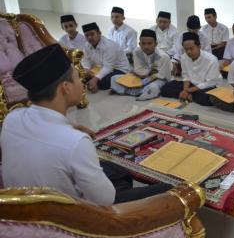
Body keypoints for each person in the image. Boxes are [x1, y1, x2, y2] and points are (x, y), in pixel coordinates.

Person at [1, 44, 171, 205]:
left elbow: (45, 130)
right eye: (77, 77)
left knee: (117, 171)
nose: (82, 83)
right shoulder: (76, 143)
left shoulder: (12, 118)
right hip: (74, 219)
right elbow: (106, 200)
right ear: (65, 88)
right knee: (171, 191)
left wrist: (71, 126)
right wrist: (74, 135)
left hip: (24, 206)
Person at [161, 32, 221, 106]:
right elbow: (186, 76)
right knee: (166, 87)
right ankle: (189, 96)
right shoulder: (183, 57)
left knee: (205, 97)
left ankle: (189, 96)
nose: (189, 52)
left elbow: (210, 82)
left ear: (199, 47)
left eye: (191, 48)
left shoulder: (212, 60)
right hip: (192, 85)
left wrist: (188, 90)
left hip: (208, 86)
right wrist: (185, 90)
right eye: (186, 49)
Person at [110, 29, 171, 100]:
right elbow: (138, 70)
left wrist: (144, 78)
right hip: (141, 77)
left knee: (153, 87)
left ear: (156, 44)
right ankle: (140, 92)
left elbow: (163, 76)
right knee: (114, 78)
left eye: (149, 43)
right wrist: (140, 75)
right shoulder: (137, 51)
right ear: (139, 44)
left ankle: (127, 91)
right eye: (143, 43)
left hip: (158, 79)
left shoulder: (163, 56)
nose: (146, 47)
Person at [81, 22, 131, 92]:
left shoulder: (109, 46)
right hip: (101, 67)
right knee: (81, 76)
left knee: (102, 83)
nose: (89, 37)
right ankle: (92, 82)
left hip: (119, 69)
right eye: (86, 35)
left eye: (92, 34)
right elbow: (86, 60)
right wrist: (86, 70)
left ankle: (93, 83)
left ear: (99, 33)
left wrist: (95, 79)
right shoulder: (87, 45)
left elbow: (108, 67)